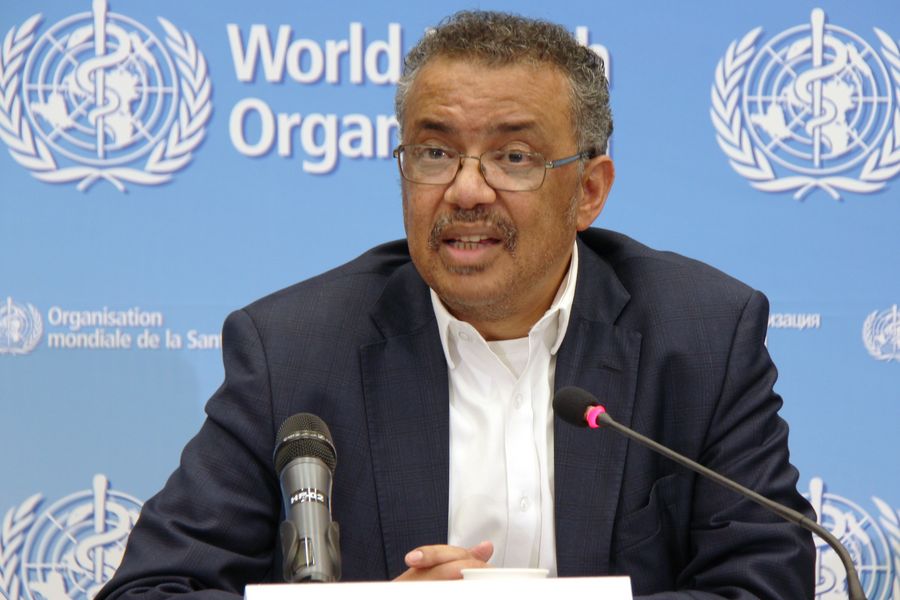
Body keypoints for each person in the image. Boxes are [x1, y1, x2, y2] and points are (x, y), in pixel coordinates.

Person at [98, 11, 815, 599]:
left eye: (513, 157)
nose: (467, 191)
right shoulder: (293, 351)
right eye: (435, 154)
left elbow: (767, 583)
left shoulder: (701, 337)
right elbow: (152, 588)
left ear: (589, 192)